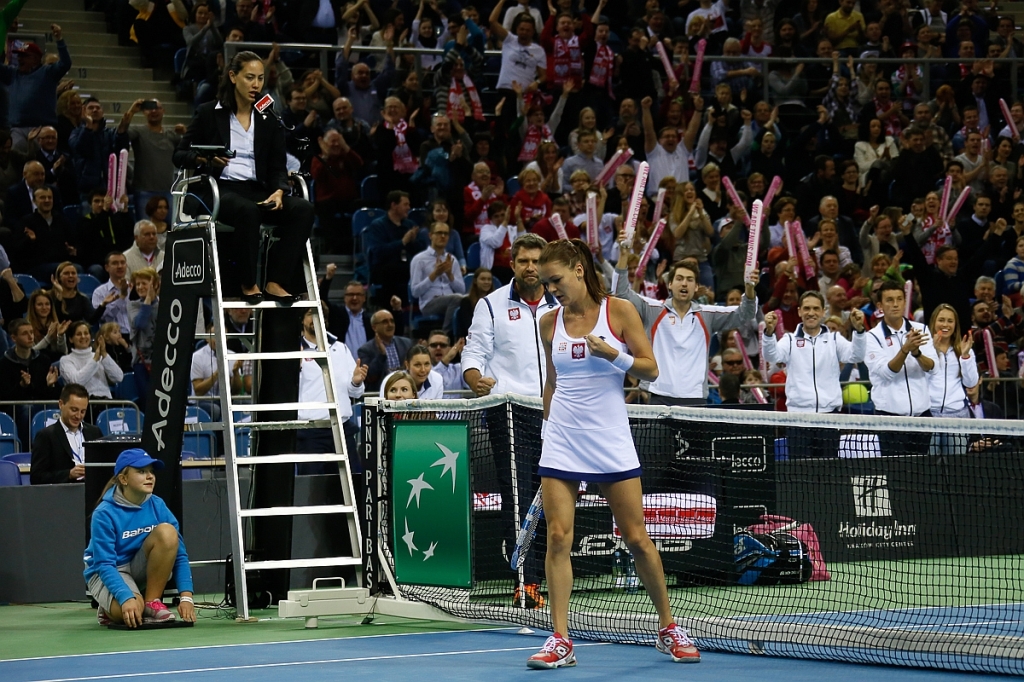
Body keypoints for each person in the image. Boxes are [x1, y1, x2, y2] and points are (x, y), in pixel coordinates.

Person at [529, 239, 698, 669]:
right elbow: (552, 382)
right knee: (558, 537)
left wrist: (614, 355)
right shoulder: (548, 323)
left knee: (637, 538)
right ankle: (561, 639)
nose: (552, 290)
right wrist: (548, 430)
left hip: (610, 438)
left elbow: (650, 368)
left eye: (556, 280)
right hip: (563, 438)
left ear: (578, 269)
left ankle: (668, 627)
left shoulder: (619, 311)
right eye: (547, 284)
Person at [174, 50, 314, 303]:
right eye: (249, 77)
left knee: (303, 209)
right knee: (247, 211)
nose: (256, 85)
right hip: (218, 188)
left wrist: (279, 191)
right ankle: (248, 283)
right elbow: (180, 154)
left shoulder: (268, 118)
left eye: (260, 78)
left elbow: (277, 166)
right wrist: (205, 158)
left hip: (257, 189)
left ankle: (276, 281)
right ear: (233, 76)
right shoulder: (208, 112)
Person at [462, 232, 555, 609]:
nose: (531, 267)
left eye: (536, 261)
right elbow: (474, 352)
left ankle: (551, 575)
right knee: (518, 498)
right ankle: (525, 582)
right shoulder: (490, 305)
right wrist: (474, 379)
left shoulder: (562, 300)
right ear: (512, 265)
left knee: (556, 497)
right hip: (510, 413)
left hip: (558, 413)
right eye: (524, 261)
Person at [614, 257, 758, 405]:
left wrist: (749, 288)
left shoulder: (708, 314)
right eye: (679, 278)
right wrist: (623, 254)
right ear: (670, 284)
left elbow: (745, 314)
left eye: (690, 280)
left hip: (695, 397)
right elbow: (620, 293)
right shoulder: (653, 309)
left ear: (696, 287)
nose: (684, 283)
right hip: (659, 395)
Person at [83, 448, 196, 627]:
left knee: (167, 532)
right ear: (124, 479)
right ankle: (110, 608)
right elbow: (104, 564)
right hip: (107, 571)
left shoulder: (158, 505)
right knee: (133, 612)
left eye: (151, 471)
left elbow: (180, 555)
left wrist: (186, 597)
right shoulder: (104, 513)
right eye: (141, 471)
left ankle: (152, 602)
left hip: (138, 566)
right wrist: (125, 597)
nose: (150, 476)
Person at [763, 293, 866, 457]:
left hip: (829, 417)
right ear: (799, 311)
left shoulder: (834, 339)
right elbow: (771, 356)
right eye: (807, 308)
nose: (811, 313)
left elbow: (857, 356)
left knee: (828, 470)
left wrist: (859, 331)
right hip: (798, 418)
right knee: (801, 471)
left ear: (823, 311)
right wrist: (769, 333)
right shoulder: (789, 340)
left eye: (816, 308)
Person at [864, 281, 937, 457]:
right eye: (889, 300)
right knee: (896, 470)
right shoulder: (872, 337)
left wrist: (917, 353)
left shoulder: (921, 329)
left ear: (905, 302)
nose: (895, 304)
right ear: (880, 306)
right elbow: (886, 373)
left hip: (922, 416)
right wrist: (905, 349)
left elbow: (932, 367)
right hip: (890, 419)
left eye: (899, 299)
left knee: (922, 468)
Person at [296, 306, 367, 475]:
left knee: (352, 484)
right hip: (311, 433)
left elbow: (356, 393)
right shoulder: (294, 351)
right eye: (310, 314)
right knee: (312, 487)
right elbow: (285, 389)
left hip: (342, 430)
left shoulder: (340, 348)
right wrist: (294, 368)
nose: (316, 318)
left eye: (320, 314)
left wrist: (356, 382)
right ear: (302, 320)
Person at [927, 303, 978, 455]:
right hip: (929, 415)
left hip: (957, 416)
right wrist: (933, 351)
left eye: (950, 321)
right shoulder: (924, 348)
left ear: (955, 325)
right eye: (941, 320)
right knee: (927, 466)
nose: (945, 325)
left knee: (956, 466)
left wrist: (965, 356)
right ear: (934, 322)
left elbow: (971, 383)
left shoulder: (963, 348)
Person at [30, 383, 101, 485]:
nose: (78, 416)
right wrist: (68, 474)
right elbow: (36, 477)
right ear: (61, 404)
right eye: (74, 410)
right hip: (63, 493)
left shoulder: (94, 432)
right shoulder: (46, 436)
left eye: (83, 411)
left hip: (92, 490)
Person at [409, 221, 467, 320]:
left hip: (450, 300)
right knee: (457, 299)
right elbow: (415, 292)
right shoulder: (419, 259)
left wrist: (449, 275)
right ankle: (448, 329)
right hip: (429, 303)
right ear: (430, 235)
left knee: (469, 300)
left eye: (446, 233)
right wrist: (435, 274)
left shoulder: (452, 259)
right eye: (439, 233)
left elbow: (462, 290)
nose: (443, 236)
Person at [59, 321, 124, 401]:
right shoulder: (66, 360)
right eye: (79, 334)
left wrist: (104, 355)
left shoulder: (99, 356)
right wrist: (94, 360)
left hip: (106, 402)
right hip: (84, 404)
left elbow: (119, 377)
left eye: (86, 333)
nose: (83, 336)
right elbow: (77, 383)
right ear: (71, 339)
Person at [357, 309, 413, 391]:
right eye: (385, 322)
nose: (390, 325)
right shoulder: (365, 350)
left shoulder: (406, 343)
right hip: (381, 393)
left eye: (392, 321)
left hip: (405, 390)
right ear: (374, 327)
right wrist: (381, 355)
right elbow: (369, 377)